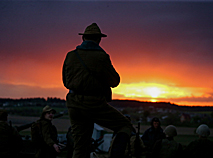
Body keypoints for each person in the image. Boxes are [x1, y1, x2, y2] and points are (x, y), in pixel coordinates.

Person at [62, 23, 133, 158]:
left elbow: (66, 82)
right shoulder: (101, 57)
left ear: (83, 38)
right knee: (125, 126)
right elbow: (114, 81)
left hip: (74, 105)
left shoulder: (70, 55)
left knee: (80, 147)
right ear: (98, 39)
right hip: (94, 104)